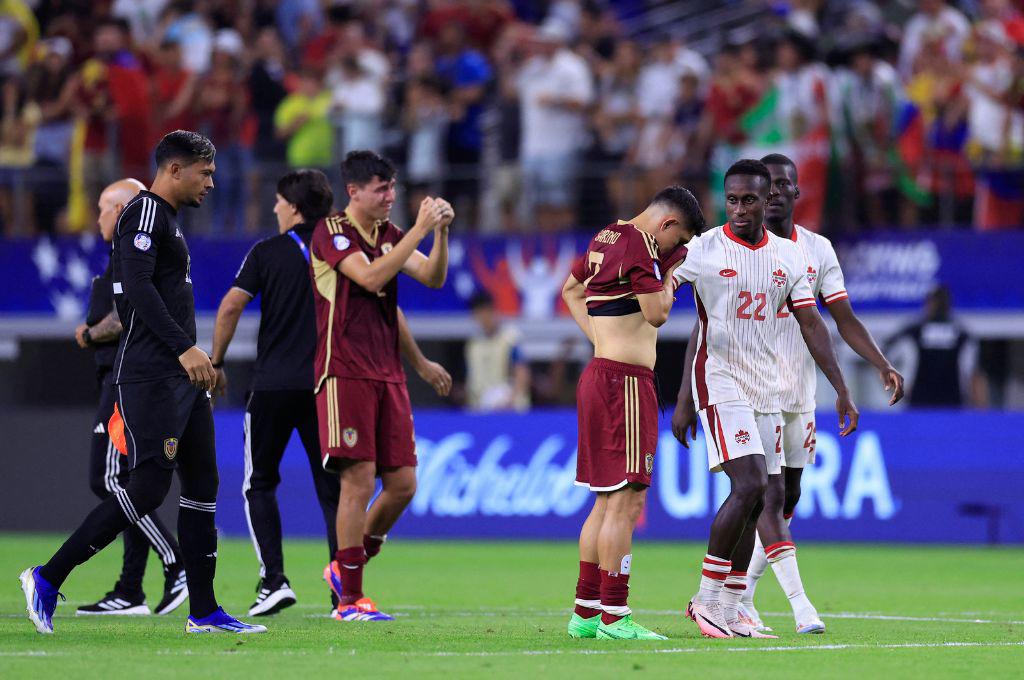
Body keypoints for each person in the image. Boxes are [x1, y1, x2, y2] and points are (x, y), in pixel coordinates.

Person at [19, 130, 265, 635]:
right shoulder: (145, 213)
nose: (211, 183)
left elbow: (163, 296)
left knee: (203, 485)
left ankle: (204, 611)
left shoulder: (168, 220)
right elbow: (135, 288)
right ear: (174, 169)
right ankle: (47, 576)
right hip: (150, 376)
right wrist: (184, 349)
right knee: (148, 488)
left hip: (182, 378)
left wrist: (198, 361)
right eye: (205, 173)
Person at [669, 159, 858, 639]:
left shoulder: (788, 256)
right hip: (720, 379)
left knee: (760, 501)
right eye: (731, 200)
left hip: (768, 386)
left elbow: (812, 324)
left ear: (766, 198)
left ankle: (732, 606)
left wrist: (840, 388)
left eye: (748, 200)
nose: (739, 209)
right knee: (751, 483)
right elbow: (660, 284)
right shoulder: (704, 248)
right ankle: (706, 599)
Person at [734, 154, 904, 634]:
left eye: (783, 184)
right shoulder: (735, 249)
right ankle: (800, 606)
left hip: (798, 391)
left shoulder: (816, 249)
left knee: (789, 494)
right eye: (767, 185)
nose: (775, 192)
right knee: (768, 496)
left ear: (795, 192)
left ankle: (741, 594)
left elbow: (843, 318)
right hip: (751, 389)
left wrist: (881, 363)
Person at [312, 150, 453, 622]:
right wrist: (419, 228)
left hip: (387, 371)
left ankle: (344, 569)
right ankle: (350, 600)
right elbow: (371, 274)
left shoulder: (389, 235)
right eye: (381, 188)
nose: (390, 195)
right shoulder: (332, 232)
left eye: (392, 187)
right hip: (343, 370)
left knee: (403, 484)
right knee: (358, 479)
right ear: (353, 191)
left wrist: (440, 233)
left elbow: (432, 277)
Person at [561, 186, 703, 641]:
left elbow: (571, 290)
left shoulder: (607, 235)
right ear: (667, 224)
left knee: (605, 502)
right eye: (678, 238)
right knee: (627, 503)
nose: (675, 246)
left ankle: (586, 612)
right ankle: (614, 616)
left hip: (600, 375)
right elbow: (657, 313)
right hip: (625, 384)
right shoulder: (643, 245)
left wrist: (601, 341)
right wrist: (675, 271)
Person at [209, 169, 337, 617]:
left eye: (280, 200)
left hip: (272, 386)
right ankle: (344, 588)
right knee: (334, 489)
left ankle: (274, 580)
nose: (274, 207)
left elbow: (231, 305)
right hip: (325, 386)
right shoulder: (340, 251)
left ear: (295, 208)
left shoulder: (267, 251)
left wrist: (216, 361)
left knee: (259, 483)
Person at [73, 178, 187, 617]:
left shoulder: (132, 249)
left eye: (104, 207)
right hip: (121, 378)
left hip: (125, 380)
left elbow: (128, 313)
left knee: (110, 480)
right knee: (127, 481)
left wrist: (89, 334)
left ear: (121, 209)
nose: (98, 217)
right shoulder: (122, 253)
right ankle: (130, 589)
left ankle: (174, 559)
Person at [886, 285, 986, 407]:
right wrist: (980, 409)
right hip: (953, 406)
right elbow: (975, 376)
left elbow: (882, 360)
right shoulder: (962, 334)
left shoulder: (914, 330)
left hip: (919, 404)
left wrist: (897, 389)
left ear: (929, 304)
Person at [464, 291, 530, 411]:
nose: (482, 318)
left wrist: (511, 400)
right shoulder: (473, 345)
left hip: (508, 406)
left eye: (485, 313)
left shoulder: (510, 338)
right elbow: (471, 380)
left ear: (493, 312)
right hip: (480, 407)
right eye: (478, 314)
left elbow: (521, 372)